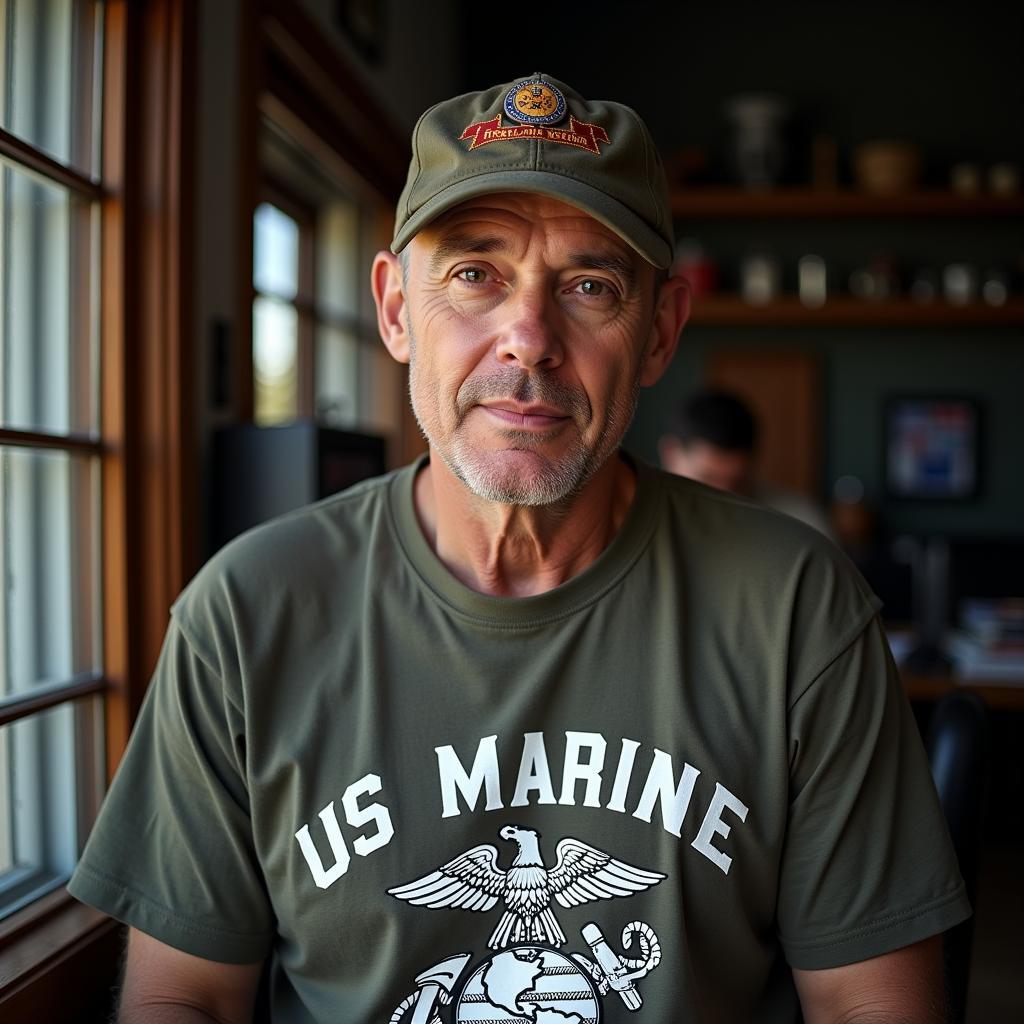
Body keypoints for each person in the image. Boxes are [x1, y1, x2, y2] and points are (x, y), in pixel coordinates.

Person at [69, 73, 968, 1023]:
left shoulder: (795, 607)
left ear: (659, 332)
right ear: (393, 309)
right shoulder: (246, 614)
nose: (529, 339)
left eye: (589, 285)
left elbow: (872, 1006)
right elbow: (184, 999)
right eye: (473, 274)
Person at [659, 389, 834, 536]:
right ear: (670, 453)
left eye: (737, 481)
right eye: (708, 477)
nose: (724, 495)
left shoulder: (801, 521)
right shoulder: (641, 519)